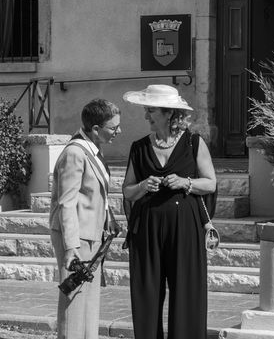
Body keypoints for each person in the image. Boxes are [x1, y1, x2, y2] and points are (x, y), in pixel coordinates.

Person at [122, 84, 217, 339]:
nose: (146, 116)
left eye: (150, 111)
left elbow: (211, 182)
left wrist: (186, 182)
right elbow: (127, 191)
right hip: (147, 228)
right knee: (147, 292)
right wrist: (143, 185)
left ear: (168, 113)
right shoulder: (139, 147)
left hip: (185, 227)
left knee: (186, 290)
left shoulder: (194, 143)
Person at [49, 98, 121, 339]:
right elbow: (66, 202)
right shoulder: (75, 153)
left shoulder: (92, 149)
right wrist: (71, 247)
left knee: (89, 302)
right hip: (77, 238)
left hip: (92, 234)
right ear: (96, 129)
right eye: (113, 127)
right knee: (74, 301)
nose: (118, 132)